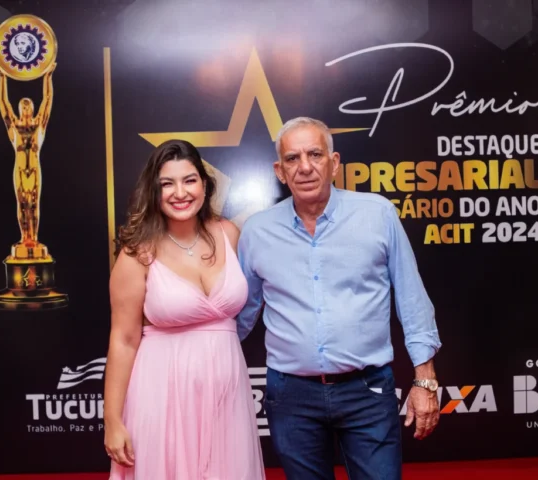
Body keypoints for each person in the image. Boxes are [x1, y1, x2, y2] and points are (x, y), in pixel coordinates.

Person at [237, 117, 442, 480]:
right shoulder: (257, 231)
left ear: (334, 162)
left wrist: (425, 379)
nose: (305, 167)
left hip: (367, 391)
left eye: (315, 154)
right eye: (292, 158)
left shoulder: (377, 214)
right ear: (279, 171)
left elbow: (412, 298)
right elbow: (241, 312)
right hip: (291, 396)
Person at [103, 139, 266, 479]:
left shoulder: (229, 234)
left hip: (226, 395)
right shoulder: (138, 253)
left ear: (205, 185)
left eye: (189, 180)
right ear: (154, 190)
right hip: (162, 394)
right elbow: (123, 340)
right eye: (167, 183)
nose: (180, 193)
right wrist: (113, 421)